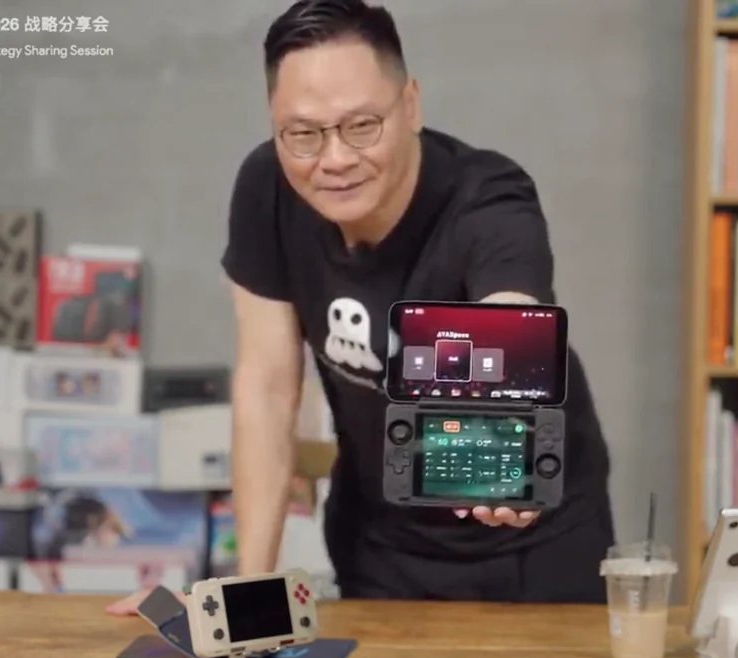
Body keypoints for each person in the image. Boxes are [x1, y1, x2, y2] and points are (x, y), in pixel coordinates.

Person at [107, 0, 614, 615]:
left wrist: (508, 445)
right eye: (303, 134)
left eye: (362, 126)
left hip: (533, 548)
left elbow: (510, 314)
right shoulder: (268, 188)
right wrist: (245, 594)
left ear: (411, 105)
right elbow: (267, 388)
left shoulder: (487, 197)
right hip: (380, 544)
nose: (335, 159)